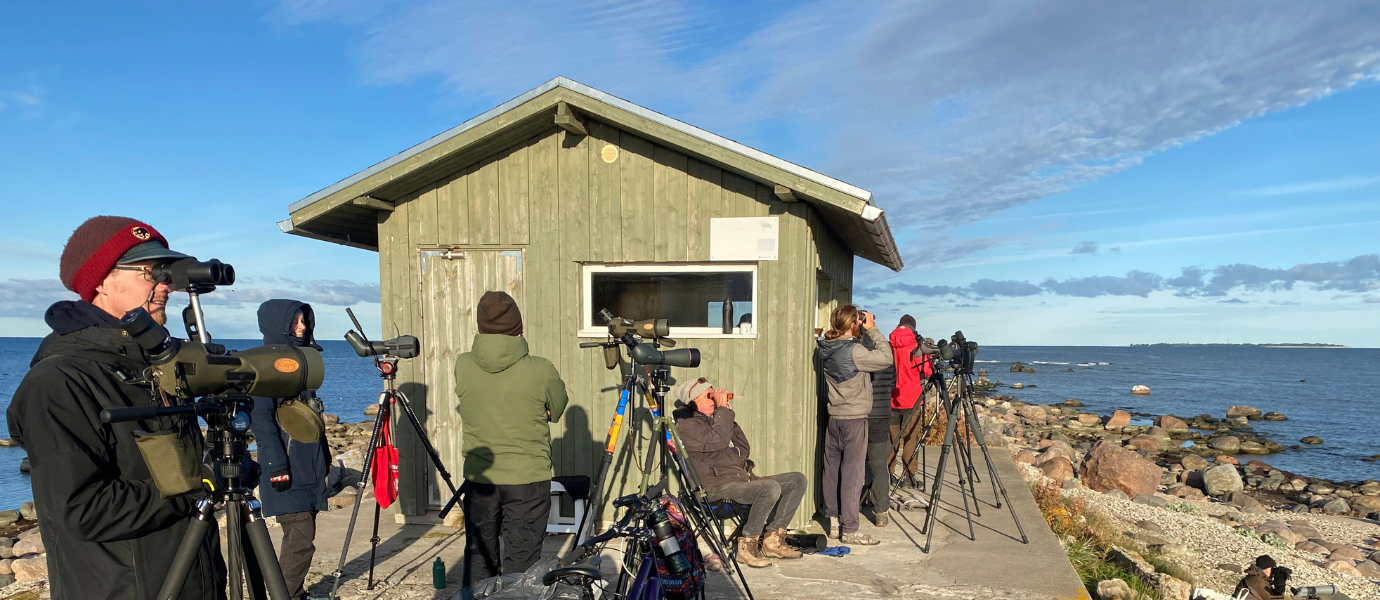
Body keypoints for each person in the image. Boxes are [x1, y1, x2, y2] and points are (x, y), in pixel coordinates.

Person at [7, 216, 227, 599]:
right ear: (100, 282)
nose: (164, 286)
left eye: (166, 274)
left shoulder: (153, 371)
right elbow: (83, 510)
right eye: (149, 272)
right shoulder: (58, 381)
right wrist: (198, 486)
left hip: (191, 580)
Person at [456, 291, 569, 592]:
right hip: (527, 478)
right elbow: (556, 410)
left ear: (480, 327)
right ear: (518, 326)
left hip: (480, 476)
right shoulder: (541, 369)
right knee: (523, 562)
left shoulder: (464, 364)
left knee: (480, 556)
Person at [672, 377, 807, 568]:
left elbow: (743, 449)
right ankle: (748, 545)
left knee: (797, 480)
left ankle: (772, 539)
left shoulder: (713, 422)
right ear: (693, 401)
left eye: (714, 397)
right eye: (708, 397)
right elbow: (717, 441)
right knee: (769, 488)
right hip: (713, 489)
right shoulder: (686, 426)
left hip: (738, 482)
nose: (714, 401)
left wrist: (727, 415)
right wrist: (723, 412)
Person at [249, 300, 330, 600]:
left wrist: (326, 459)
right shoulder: (266, 364)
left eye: (303, 320)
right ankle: (287, 595)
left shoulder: (302, 362)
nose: (302, 327)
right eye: (295, 321)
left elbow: (311, 419)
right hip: (286, 468)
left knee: (302, 535)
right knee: (300, 539)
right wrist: (276, 466)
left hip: (309, 465)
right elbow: (261, 419)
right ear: (278, 324)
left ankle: (290, 592)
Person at [816, 305, 893, 545]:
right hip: (854, 419)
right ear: (853, 324)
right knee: (853, 474)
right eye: (858, 321)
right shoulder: (855, 351)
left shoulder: (825, 348)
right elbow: (886, 359)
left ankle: (835, 524)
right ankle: (850, 529)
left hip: (834, 417)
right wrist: (873, 329)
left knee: (831, 471)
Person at [888, 315, 931, 487]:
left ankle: (888, 473)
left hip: (890, 399)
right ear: (914, 329)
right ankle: (909, 476)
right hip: (912, 400)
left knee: (891, 439)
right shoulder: (917, 348)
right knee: (910, 439)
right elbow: (927, 371)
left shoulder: (888, 346)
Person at [861, 332, 895, 527]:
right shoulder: (886, 349)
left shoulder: (856, 350)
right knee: (879, 463)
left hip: (860, 412)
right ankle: (881, 510)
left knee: (854, 461)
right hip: (882, 412)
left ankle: (853, 503)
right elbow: (893, 382)